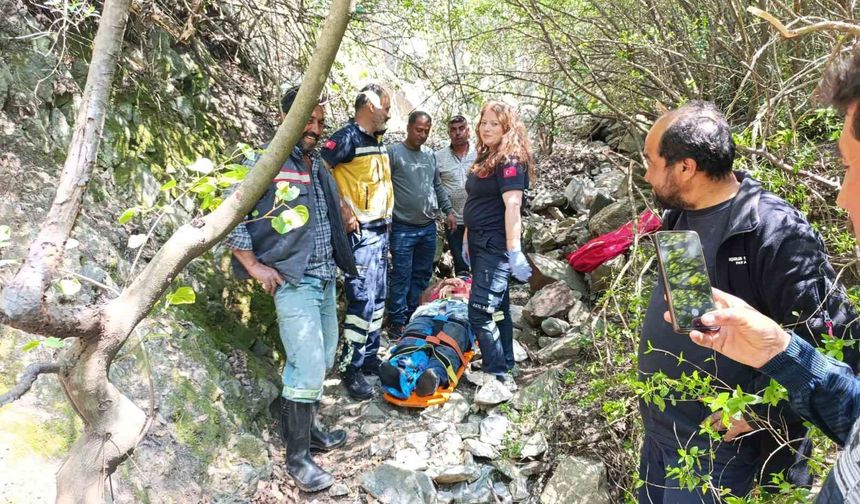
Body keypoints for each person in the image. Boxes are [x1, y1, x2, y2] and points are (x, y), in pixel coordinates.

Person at [637, 100, 860, 503]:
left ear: (685, 168)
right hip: (662, 434)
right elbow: (689, 317)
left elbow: (832, 340)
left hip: (721, 451)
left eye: (652, 161)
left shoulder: (776, 231)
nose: (646, 173)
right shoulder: (680, 218)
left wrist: (758, 413)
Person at [224, 86, 357, 493]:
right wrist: (253, 265)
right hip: (294, 280)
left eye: (319, 122)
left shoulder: (315, 163)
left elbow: (322, 208)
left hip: (323, 277)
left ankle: (312, 430)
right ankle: (298, 457)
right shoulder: (265, 162)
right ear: (287, 119)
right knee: (307, 363)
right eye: (307, 120)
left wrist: (344, 214)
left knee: (325, 353)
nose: (314, 128)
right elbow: (231, 214)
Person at [320, 83, 393, 400]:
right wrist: (342, 207)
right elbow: (319, 168)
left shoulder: (376, 141)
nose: (389, 113)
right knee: (361, 300)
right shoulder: (346, 137)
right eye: (387, 107)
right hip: (360, 235)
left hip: (381, 232)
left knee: (378, 300)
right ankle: (350, 368)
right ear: (372, 105)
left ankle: (368, 358)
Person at [462, 101, 533, 390]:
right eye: (484, 122)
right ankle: (504, 360)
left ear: (507, 128)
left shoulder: (510, 161)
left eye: (494, 123)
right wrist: (467, 237)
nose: (487, 128)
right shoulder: (486, 157)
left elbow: (513, 205)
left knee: (480, 311)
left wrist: (514, 251)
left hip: (495, 245)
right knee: (499, 306)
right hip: (478, 242)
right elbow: (475, 201)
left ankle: (496, 374)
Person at [387, 111, 457, 339]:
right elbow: (384, 188)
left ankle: (414, 315)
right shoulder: (394, 153)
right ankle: (397, 322)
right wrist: (386, 219)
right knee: (401, 275)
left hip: (427, 227)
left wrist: (449, 211)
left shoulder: (429, 155)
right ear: (408, 127)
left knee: (421, 274)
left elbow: (437, 185)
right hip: (403, 227)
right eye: (419, 130)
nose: (423, 135)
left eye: (426, 131)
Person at [380, 275, 473, 399]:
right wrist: (442, 284)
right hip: (429, 312)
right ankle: (401, 369)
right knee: (414, 340)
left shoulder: (475, 287)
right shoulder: (439, 286)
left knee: (448, 346)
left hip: (459, 315)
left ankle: (434, 374)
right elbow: (424, 297)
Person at [436, 115, 478, 275]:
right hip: (453, 221)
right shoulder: (439, 157)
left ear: (468, 130)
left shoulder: (480, 153)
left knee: (480, 262)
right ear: (448, 133)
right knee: (461, 265)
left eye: (461, 128)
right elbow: (436, 186)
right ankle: (463, 297)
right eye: (453, 130)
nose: (457, 133)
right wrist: (446, 212)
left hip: (478, 220)